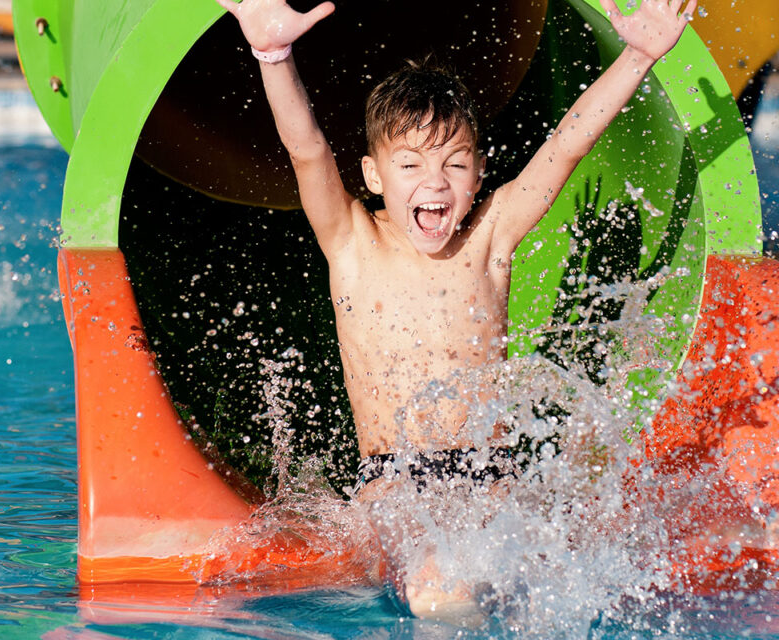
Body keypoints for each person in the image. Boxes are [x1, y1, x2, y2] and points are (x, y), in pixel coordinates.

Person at [215, 0, 697, 622]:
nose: (434, 182)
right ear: (374, 174)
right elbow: (306, 150)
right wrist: (272, 55)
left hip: (488, 472)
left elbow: (568, 146)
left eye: (455, 164)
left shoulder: (491, 237)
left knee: (594, 560)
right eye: (410, 165)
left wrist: (639, 56)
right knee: (440, 584)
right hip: (393, 480)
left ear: (479, 175)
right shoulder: (352, 243)